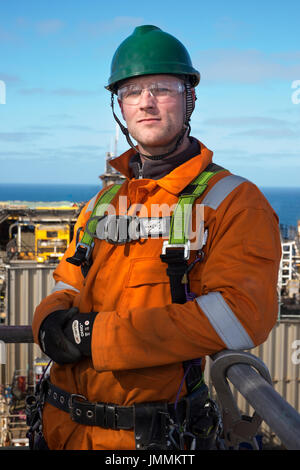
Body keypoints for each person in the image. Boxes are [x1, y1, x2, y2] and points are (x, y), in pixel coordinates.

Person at [31, 25, 281, 450]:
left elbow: (242, 315)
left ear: (189, 99)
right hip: (60, 429)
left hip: (150, 439)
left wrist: (96, 337)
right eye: (132, 90)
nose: (146, 102)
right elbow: (66, 283)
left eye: (162, 88)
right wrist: (49, 323)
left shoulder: (234, 201)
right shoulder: (103, 203)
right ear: (120, 106)